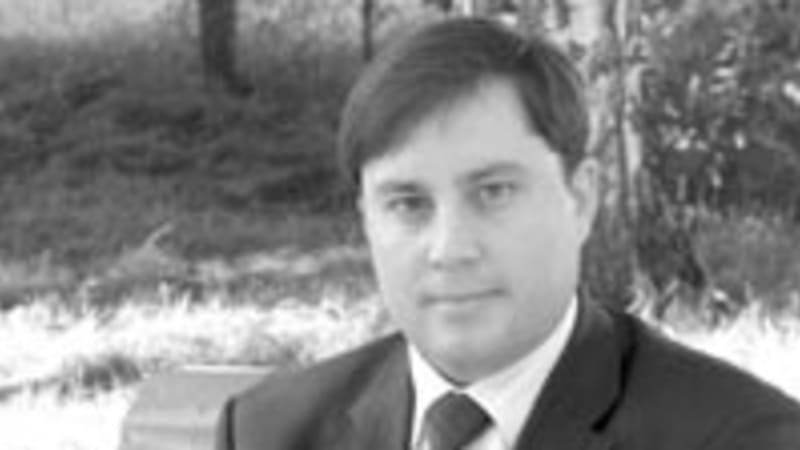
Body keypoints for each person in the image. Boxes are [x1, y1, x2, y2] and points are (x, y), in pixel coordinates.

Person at [216, 18, 800, 450]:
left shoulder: (740, 437)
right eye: (408, 204)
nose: (450, 249)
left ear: (581, 200)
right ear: (366, 219)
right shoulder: (268, 432)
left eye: (493, 192)